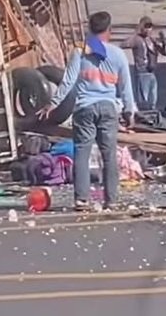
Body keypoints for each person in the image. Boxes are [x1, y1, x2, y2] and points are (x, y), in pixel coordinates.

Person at [37, 11, 135, 211]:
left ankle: (81, 199)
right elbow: (126, 88)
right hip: (108, 108)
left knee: (82, 153)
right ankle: (111, 200)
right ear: (109, 30)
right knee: (109, 155)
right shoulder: (118, 55)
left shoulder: (79, 52)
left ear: (90, 29)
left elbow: (68, 81)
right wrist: (128, 112)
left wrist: (52, 103)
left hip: (84, 108)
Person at [120, 16, 165, 111]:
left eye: (150, 27)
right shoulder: (137, 39)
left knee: (153, 99)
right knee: (143, 100)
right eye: (146, 27)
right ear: (141, 27)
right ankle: (144, 113)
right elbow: (123, 44)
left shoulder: (152, 40)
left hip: (152, 72)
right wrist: (136, 33)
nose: (148, 29)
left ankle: (152, 113)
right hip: (142, 72)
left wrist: (163, 42)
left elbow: (164, 52)